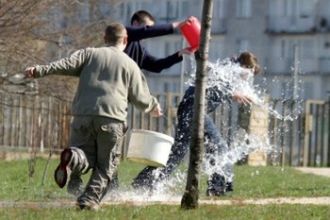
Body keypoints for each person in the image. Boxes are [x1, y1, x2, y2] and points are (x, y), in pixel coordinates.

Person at [25, 22, 163, 210]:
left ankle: (72, 158)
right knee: (107, 166)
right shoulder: (130, 64)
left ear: (105, 39)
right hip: (111, 119)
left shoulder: (89, 54)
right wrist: (153, 107)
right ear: (125, 40)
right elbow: (141, 97)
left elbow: (65, 64)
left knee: (85, 156)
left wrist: (39, 70)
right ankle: (88, 200)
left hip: (83, 115)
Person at [131, 52, 261, 196]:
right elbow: (213, 76)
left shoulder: (229, 71)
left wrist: (237, 93)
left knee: (179, 152)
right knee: (219, 147)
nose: (248, 78)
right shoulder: (228, 70)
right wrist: (233, 92)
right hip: (194, 110)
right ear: (245, 67)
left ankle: (144, 181)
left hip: (189, 109)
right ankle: (217, 189)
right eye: (250, 73)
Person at [125, 10, 193, 73]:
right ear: (135, 24)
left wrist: (179, 54)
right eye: (148, 27)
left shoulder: (139, 50)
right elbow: (147, 32)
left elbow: (156, 65)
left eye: (152, 28)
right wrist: (177, 25)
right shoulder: (124, 33)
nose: (151, 31)